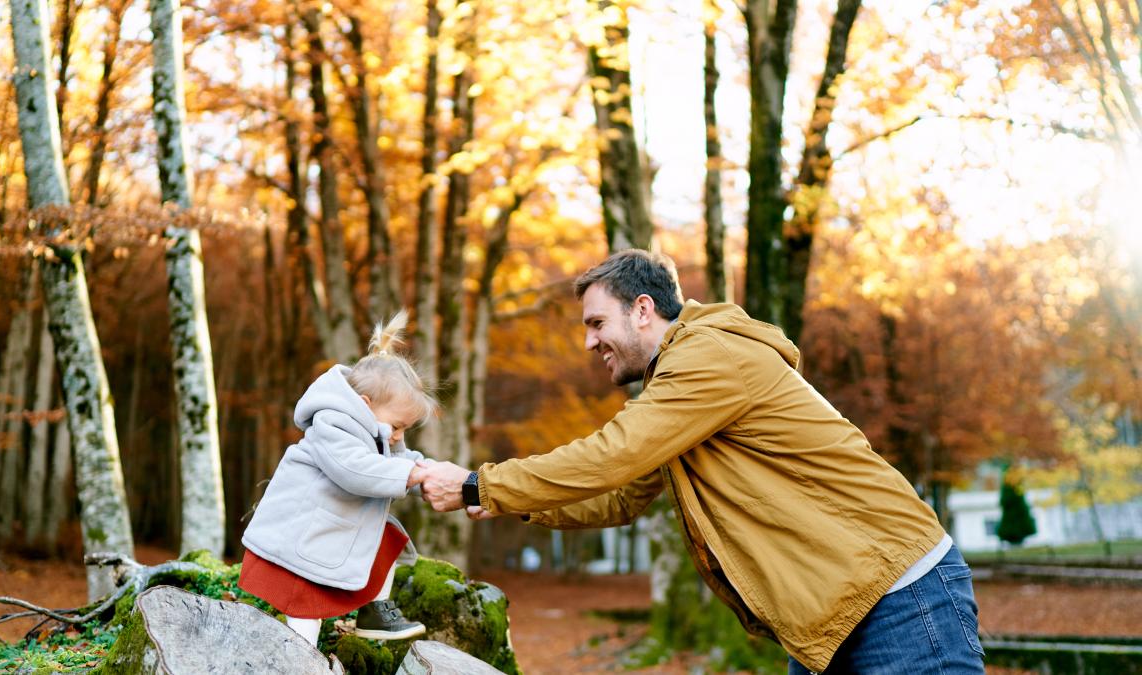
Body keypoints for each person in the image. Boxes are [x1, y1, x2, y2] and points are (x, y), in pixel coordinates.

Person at [415, 249, 985, 673]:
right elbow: (620, 495)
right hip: (834, 611)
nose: (589, 343)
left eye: (597, 323)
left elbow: (613, 454)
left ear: (643, 310)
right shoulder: (680, 387)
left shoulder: (707, 355)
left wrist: (480, 485)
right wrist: (505, 500)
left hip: (898, 597)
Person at [239, 311, 437, 647]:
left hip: (331, 530)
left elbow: (398, 462)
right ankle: (300, 655)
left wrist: (432, 474)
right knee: (305, 605)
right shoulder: (333, 425)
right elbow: (354, 469)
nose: (398, 436)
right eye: (397, 426)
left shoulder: (375, 433)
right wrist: (409, 474)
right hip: (303, 533)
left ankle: (375, 611)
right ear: (365, 405)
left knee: (386, 540)